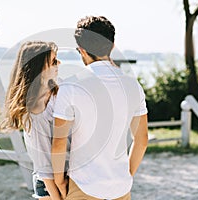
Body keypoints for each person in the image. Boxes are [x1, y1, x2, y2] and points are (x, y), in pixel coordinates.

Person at [51, 16, 148, 200]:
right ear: (112, 45)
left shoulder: (71, 86)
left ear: (82, 50)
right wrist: (126, 174)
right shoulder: (133, 86)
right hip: (120, 188)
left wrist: (59, 181)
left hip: (83, 186)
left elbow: (59, 144)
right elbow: (141, 140)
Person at [0, 41, 63, 200]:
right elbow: (44, 166)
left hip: (63, 177)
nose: (59, 63)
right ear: (39, 67)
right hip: (49, 185)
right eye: (54, 61)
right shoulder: (35, 112)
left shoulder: (57, 91)